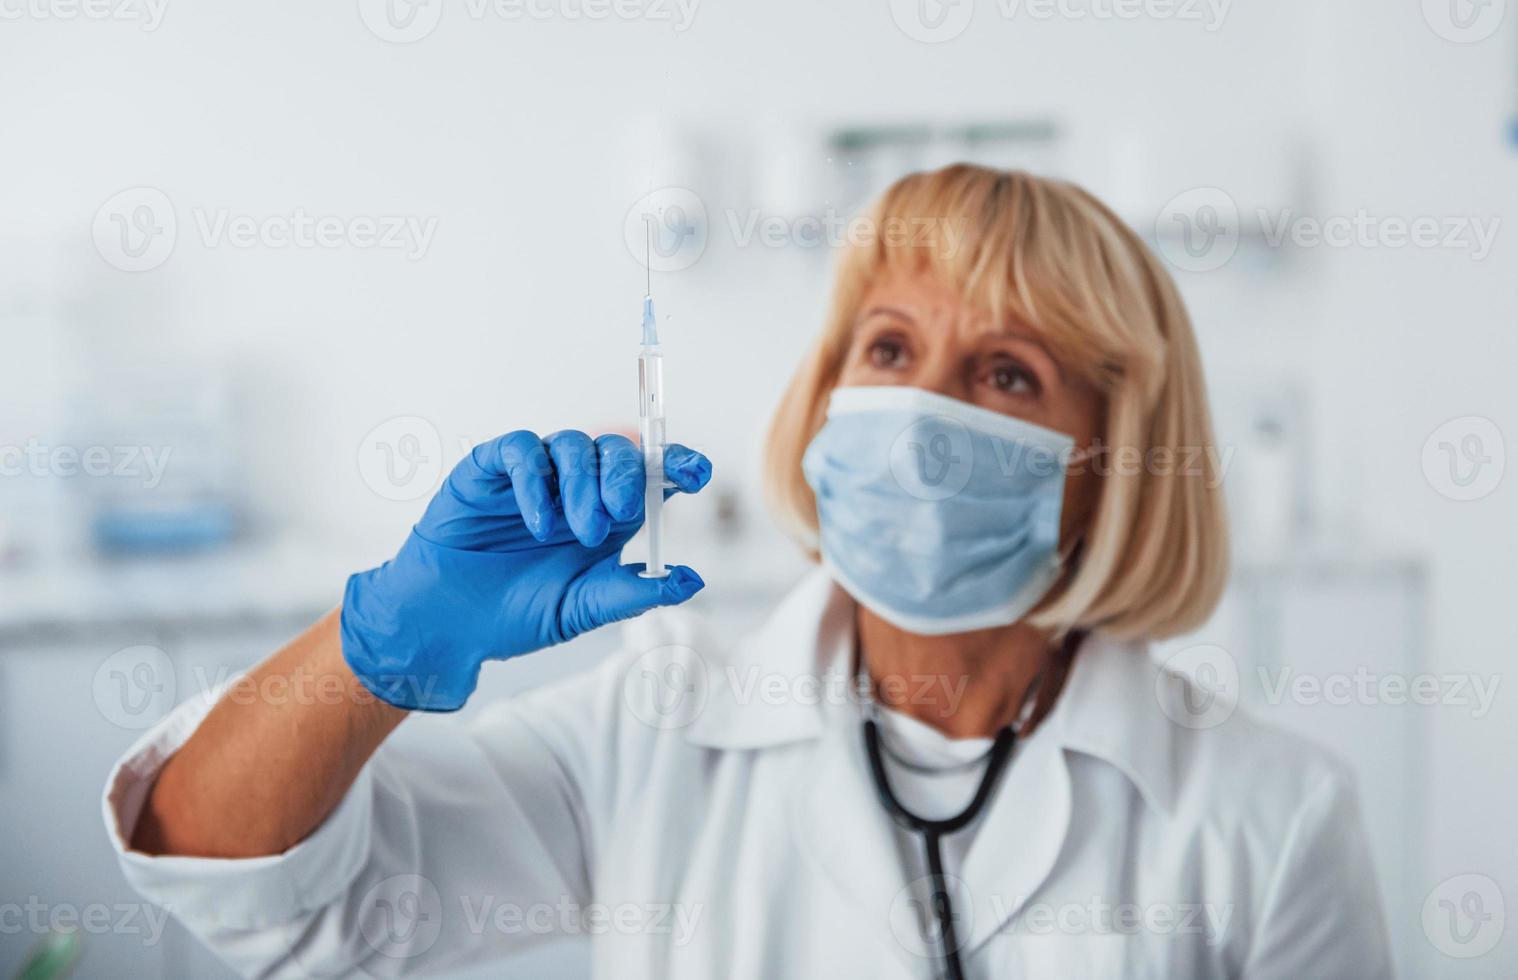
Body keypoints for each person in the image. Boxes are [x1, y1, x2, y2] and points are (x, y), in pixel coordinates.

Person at [104, 164, 1392, 978]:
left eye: (1008, 373)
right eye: (888, 349)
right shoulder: (655, 729)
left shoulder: (1269, 818)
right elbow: (240, 882)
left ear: (1107, 463)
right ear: (827, 396)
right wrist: (383, 644)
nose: (921, 408)